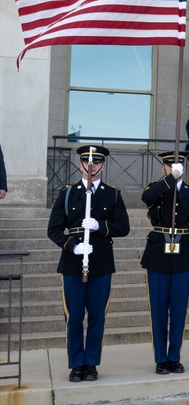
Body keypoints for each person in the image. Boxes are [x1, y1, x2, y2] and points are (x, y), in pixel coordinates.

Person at [47, 145, 130, 382]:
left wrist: (100, 226)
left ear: (103, 165)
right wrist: (72, 245)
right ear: (80, 164)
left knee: (97, 315)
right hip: (73, 262)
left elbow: (123, 227)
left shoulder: (112, 194)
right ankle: (76, 363)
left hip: (101, 262)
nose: (91, 166)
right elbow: (53, 229)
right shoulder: (68, 193)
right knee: (73, 316)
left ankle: (91, 363)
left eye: (96, 162)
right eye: (87, 162)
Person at [140, 151, 189, 375]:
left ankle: (174, 357)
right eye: (170, 166)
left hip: (184, 254)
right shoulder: (157, 188)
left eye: (178, 166)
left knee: (179, 310)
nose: (174, 169)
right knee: (158, 309)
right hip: (158, 252)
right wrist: (171, 179)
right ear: (164, 169)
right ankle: (160, 358)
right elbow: (147, 198)